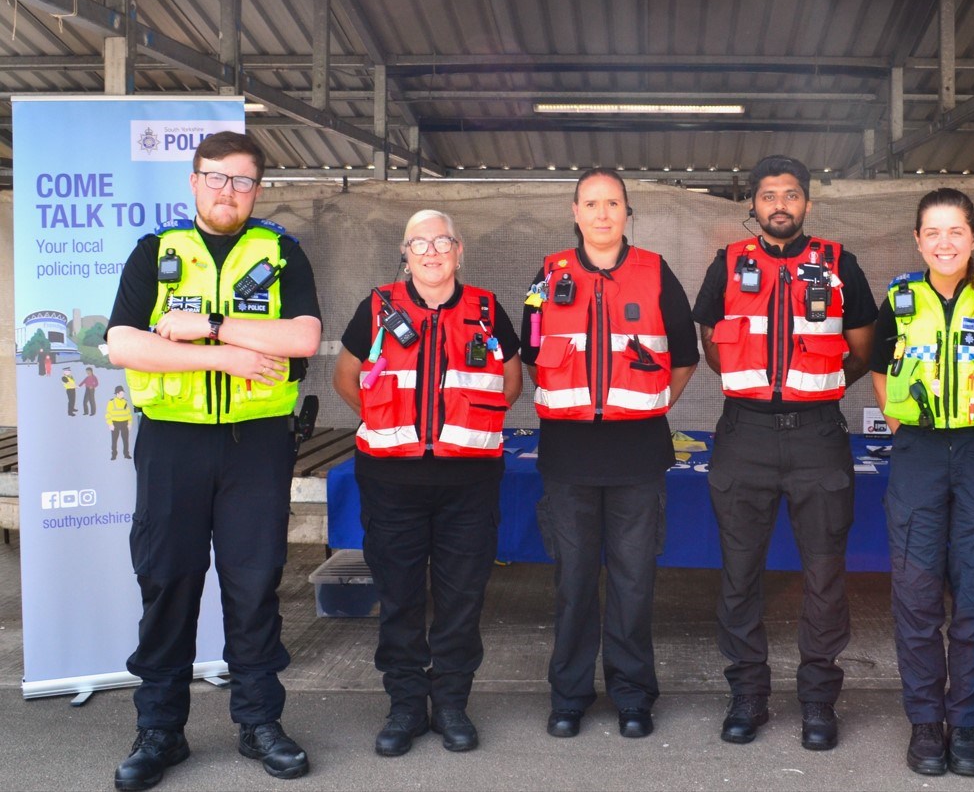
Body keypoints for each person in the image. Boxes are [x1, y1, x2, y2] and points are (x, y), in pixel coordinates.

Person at [105, 130, 321, 791]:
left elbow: (302, 337)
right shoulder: (157, 253)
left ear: (259, 189)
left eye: (243, 181)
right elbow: (122, 344)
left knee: (253, 583)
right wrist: (223, 357)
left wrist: (214, 325)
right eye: (217, 178)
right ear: (194, 182)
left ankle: (258, 723)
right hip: (173, 440)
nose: (230, 191)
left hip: (256, 442)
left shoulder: (281, 253)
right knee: (168, 580)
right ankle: (160, 731)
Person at [691, 155, 876, 751]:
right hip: (743, 432)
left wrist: (814, 387)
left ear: (807, 205)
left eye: (791, 194)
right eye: (768, 195)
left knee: (824, 574)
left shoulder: (840, 262)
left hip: (817, 435)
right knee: (739, 573)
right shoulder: (727, 264)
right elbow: (711, 341)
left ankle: (818, 699)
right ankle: (747, 693)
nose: (779, 204)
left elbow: (863, 349)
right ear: (752, 206)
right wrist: (754, 381)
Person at [332, 209, 522, 756]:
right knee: (400, 597)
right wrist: (386, 423)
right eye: (420, 243)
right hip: (392, 480)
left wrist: (470, 423)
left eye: (442, 241)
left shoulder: (486, 309)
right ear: (405, 253)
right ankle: (406, 706)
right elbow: (346, 377)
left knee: (462, 598)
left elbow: (511, 380)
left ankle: (453, 704)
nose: (432, 251)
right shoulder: (377, 308)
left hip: (469, 480)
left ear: (460, 251)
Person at [520, 169, 698, 740]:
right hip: (569, 456)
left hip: (637, 456)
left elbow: (686, 355)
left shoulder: (654, 271)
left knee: (633, 582)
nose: (602, 214)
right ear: (575, 211)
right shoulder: (549, 275)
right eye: (591, 203)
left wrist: (648, 402)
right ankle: (569, 695)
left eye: (613, 203)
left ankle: (632, 696)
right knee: (573, 582)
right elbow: (530, 355)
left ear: (627, 212)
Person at [869, 187, 974, 778]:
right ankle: (924, 725)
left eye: (955, 231)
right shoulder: (899, 299)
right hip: (916, 454)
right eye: (932, 233)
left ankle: (965, 725)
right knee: (915, 597)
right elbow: (877, 369)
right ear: (917, 240)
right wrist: (900, 422)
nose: (944, 243)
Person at [106, 384, 133, 460]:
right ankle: (114, 454)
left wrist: (129, 423)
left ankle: (126, 454)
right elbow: (108, 413)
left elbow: (129, 414)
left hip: (124, 423)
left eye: (123, 393)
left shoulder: (125, 401)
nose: (122, 394)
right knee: (114, 440)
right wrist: (110, 424)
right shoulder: (111, 402)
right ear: (117, 393)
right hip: (115, 424)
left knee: (125, 440)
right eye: (121, 393)